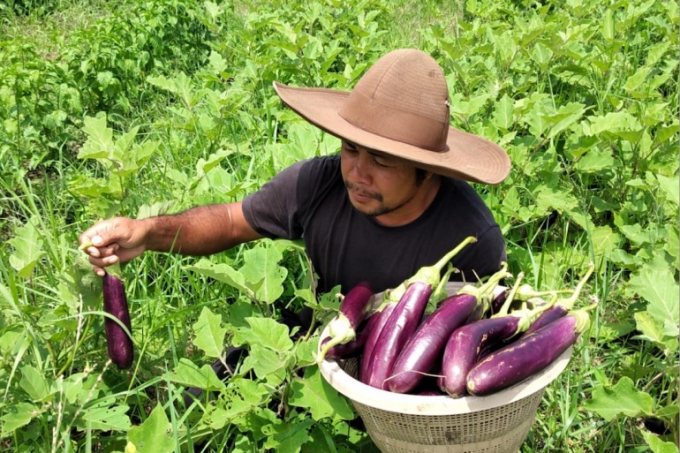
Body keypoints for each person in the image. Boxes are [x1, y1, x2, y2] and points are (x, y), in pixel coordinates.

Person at [79, 49, 511, 400]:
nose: (357, 173)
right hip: (310, 344)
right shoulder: (318, 182)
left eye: (380, 161)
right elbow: (231, 221)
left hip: (409, 384)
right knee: (193, 400)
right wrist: (146, 233)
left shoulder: (470, 237)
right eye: (350, 149)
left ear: (427, 170)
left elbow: (479, 343)